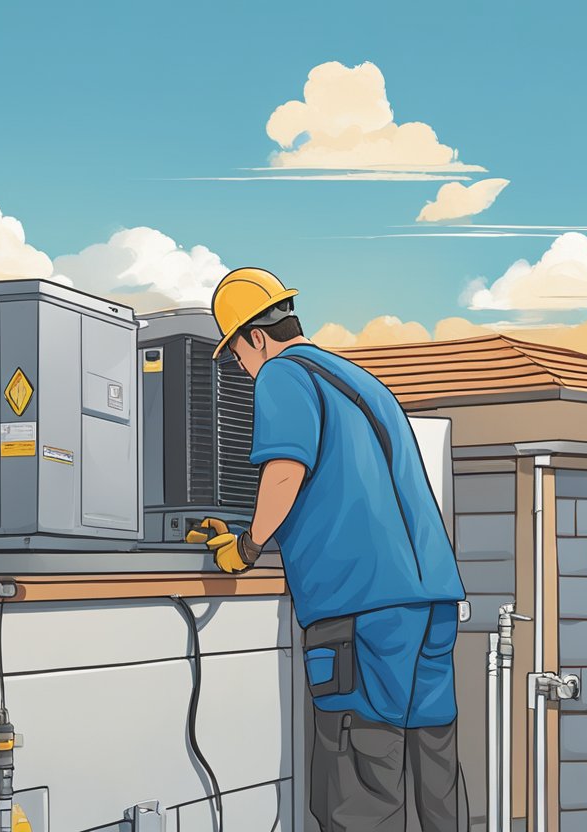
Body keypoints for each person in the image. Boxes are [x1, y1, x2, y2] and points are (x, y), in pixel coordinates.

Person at [188, 267, 468, 832]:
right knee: (432, 760)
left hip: (360, 607)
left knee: (362, 772)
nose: (242, 369)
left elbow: (287, 472)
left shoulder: (282, 374)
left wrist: (245, 546)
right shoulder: (362, 382)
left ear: (255, 337)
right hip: (431, 601)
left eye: (237, 356)